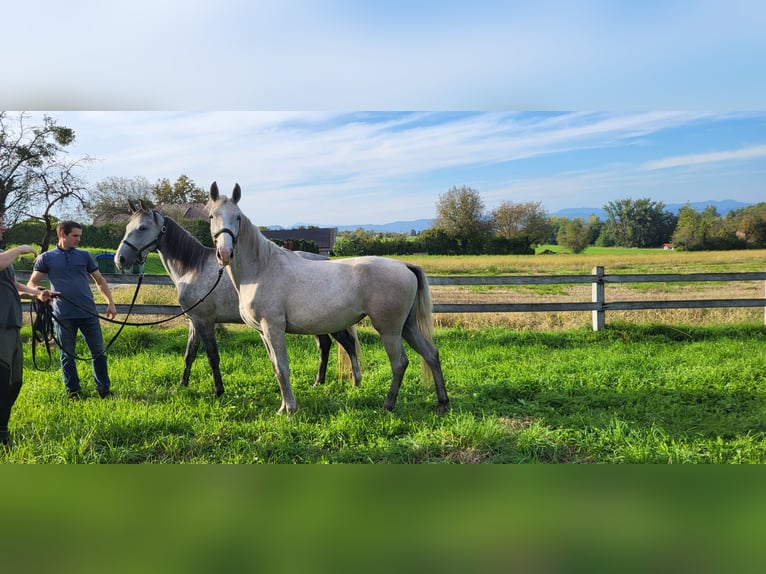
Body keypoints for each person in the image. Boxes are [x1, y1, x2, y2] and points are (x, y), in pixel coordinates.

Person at [27, 220, 117, 400]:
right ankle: (73, 392)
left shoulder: (84, 256)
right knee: (67, 355)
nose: (79, 239)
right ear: (63, 235)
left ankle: (104, 390)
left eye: (80, 236)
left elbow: (99, 280)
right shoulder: (46, 258)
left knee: (98, 352)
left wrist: (110, 302)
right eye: (75, 236)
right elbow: (32, 283)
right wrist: (39, 293)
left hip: (88, 313)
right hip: (62, 315)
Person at [0, 212, 57, 447]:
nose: (3, 226)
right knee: (1, 380)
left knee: (15, 381)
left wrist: (37, 293)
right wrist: (21, 249)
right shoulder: (4, 257)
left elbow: (12, 285)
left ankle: (2, 428)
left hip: (11, 323)